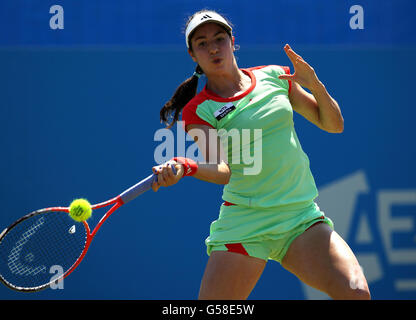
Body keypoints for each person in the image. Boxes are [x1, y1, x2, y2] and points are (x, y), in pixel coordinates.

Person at [152, 9, 371, 300]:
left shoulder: (276, 76)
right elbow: (222, 169)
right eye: (202, 43)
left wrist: (313, 83)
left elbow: (334, 125)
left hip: (299, 218)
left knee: (356, 292)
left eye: (219, 38)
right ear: (193, 55)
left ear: (233, 41)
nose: (213, 48)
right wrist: (187, 165)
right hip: (245, 224)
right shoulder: (199, 109)